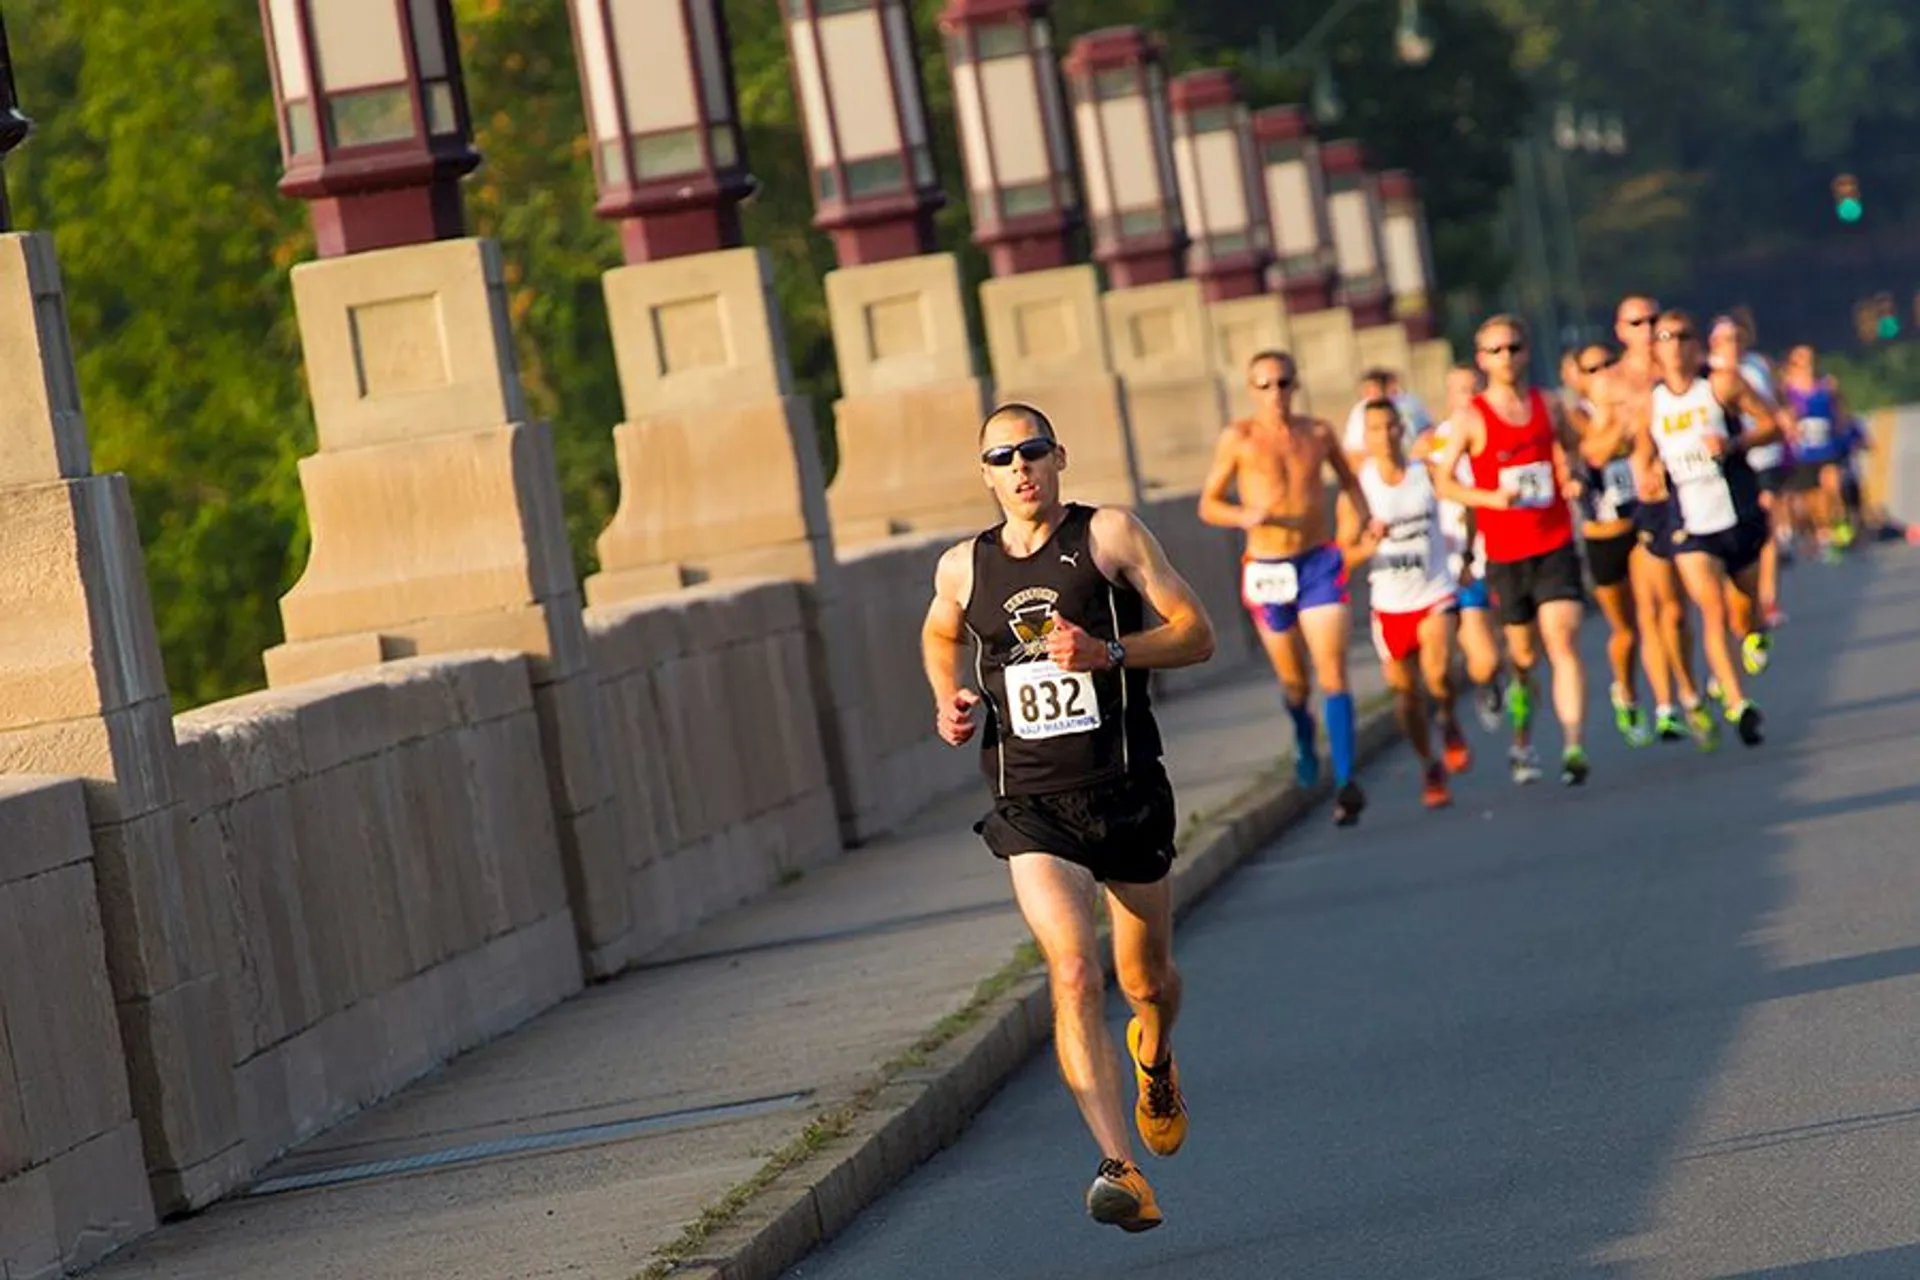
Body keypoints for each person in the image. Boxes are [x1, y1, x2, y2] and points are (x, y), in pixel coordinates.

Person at [922, 403, 1217, 1233]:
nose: (1020, 467)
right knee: (1073, 972)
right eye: (1002, 457)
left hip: (1124, 789)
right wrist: (947, 697)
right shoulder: (962, 568)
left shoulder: (1110, 536)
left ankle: (1154, 1055)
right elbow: (940, 634)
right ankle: (1118, 1165)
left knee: (1143, 981)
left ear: (1059, 458)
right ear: (984, 474)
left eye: (1034, 451)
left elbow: (1197, 634)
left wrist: (1110, 652)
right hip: (1030, 804)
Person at [1200, 350, 1373, 827]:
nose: (1275, 393)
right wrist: (1243, 516)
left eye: (1283, 383)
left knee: (1333, 672)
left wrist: (1365, 522)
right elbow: (1209, 505)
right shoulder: (1239, 438)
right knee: (1295, 681)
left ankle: (1344, 781)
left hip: (1318, 559)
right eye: (1264, 385)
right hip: (1268, 567)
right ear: (1251, 391)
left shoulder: (1317, 433)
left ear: (1296, 385)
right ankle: (1302, 731)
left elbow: (1351, 481)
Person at [1431, 314, 1591, 787]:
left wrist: (1574, 475)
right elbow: (1442, 483)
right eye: (1496, 351)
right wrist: (1489, 498)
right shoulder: (1471, 418)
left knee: (1562, 640)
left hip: (1555, 541)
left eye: (1514, 348)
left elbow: (1574, 451)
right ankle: (1523, 742)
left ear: (1526, 351)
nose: (1507, 357)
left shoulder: (1551, 405)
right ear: (1483, 360)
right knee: (1523, 657)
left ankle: (1573, 746)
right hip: (1504, 552)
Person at [1635, 313, 1776, 746]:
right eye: (1664, 338)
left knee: (1745, 611)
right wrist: (1650, 474)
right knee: (1712, 610)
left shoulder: (1722, 384)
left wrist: (1733, 444)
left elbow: (1772, 425)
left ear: (1696, 345)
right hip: (1690, 524)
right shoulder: (1650, 403)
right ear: (1655, 350)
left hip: (1738, 510)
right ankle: (1738, 704)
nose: (1674, 345)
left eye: (1682, 336)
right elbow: (1642, 455)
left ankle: (1752, 634)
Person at [1588, 295, 1711, 745]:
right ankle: (1666, 703)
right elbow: (1594, 452)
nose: (1647, 329)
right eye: (1636, 322)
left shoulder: (1681, 372)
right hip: (1635, 506)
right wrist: (1626, 429)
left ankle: (1692, 689)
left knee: (1680, 609)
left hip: (1689, 493)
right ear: (1620, 330)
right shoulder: (1610, 384)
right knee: (1651, 610)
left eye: (1654, 320)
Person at [1343, 397, 1470, 808]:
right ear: (1366, 436)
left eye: (1392, 426)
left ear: (1403, 429)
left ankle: (1449, 718)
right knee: (1406, 696)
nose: (1385, 436)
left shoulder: (1426, 473)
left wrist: (1466, 557)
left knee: (1437, 674)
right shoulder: (1358, 489)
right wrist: (1367, 543)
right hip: (1390, 604)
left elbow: (1465, 505)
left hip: (1434, 591)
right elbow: (1342, 555)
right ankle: (1429, 764)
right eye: (1376, 429)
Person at [1566, 341, 1653, 747]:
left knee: (1659, 611)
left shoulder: (1636, 407)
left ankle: (1674, 701)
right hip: (1602, 535)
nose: (1602, 374)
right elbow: (1594, 454)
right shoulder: (1575, 418)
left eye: (1607, 365)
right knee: (1626, 631)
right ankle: (1626, 690)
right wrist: (1619, 419)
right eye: (1592, 368)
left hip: (1639, 524)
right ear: (1579, 378)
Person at [1413, 363, 1506, 734]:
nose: (1467, 397)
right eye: (1460, 390)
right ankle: (1477, 689)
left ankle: (1496, 678)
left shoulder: (1499, 429)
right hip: (1450, 559)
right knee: (1468, 659)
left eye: (1474, 388)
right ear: (1448, 397)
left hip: (1494, 548)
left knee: (1500, 651)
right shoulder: (1434, 444)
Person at [1709, 315, 1792, 628]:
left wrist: (1786, 419)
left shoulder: (1759, 365)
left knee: (1766, 525)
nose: (1734, 345)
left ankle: (1769, 599)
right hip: (1730, 463)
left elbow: (1778, 401)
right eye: (1727, 340)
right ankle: (1741, 600)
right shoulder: (1710, 374)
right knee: (1737, 535)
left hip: (1764, 455)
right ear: (1714, 344)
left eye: (1737, 338)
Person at [1779, 343, 1853, 562]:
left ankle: (1839, 522)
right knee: (1814, 499)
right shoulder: (1787, 389)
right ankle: (1824, 530)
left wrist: (1841, 425)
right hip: (1804, 452)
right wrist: (1789, 424)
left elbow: (1840, 411)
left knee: (1833, 484)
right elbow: (1780, 413)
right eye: (1801, 359)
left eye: (1810, 358)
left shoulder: (1827, 385)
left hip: (1827, 447)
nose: (1808, 363)